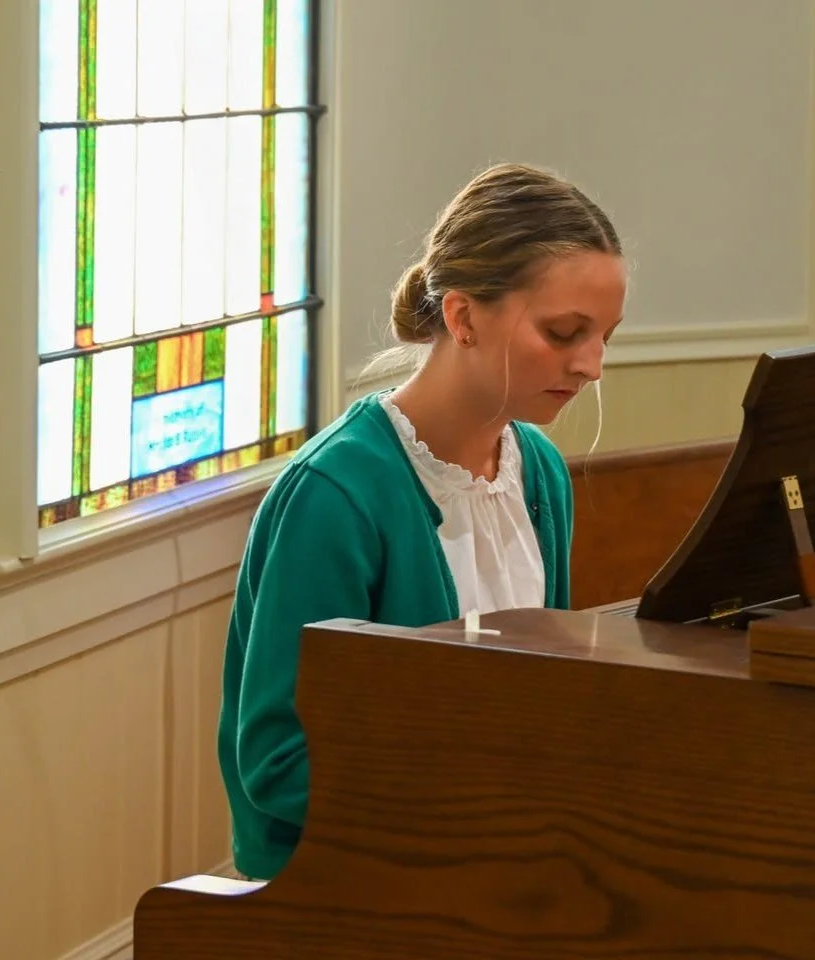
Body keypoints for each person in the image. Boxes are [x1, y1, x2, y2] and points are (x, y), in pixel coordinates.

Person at [216, 162, 626, 882]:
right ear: (463, 318)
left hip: (494, 859)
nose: (591, 365)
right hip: (348, 883)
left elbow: (543, 697)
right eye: (564, 332)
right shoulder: (335, 496)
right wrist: (488, 800)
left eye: (605, 336)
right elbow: (278, 762)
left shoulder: (539, 472)